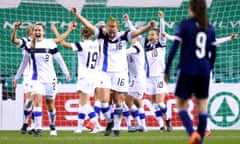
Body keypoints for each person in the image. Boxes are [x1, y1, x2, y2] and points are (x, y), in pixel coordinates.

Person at [71, 7, 156, 136]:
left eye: (113, 31)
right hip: (104, 72)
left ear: (117, 29)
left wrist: (149, 26)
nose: (111, 34)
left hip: (120, 73)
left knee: (118, 101)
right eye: (109, 31)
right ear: (106, 29)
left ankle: (116, 128)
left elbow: (137, 32)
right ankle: (110, 121)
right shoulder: (101, 34)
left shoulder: (123, 36)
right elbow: (87, 25)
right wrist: (77, 14)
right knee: (104, 102)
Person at [162, 31, 238, 136]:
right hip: (197, 72)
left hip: (201, 73)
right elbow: (177, 39)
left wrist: (229, 38)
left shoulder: (203, 40)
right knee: (194, 103)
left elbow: (216, 42)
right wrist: (167, 36)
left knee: (199, 103)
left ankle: (205, 129)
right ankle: (201, 129)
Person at [164, 0, 216, 144]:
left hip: (187, 69)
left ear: (191, 9)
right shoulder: (210, 28)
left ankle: (192, 133)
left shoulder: (185, 25)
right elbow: (213, 52)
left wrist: (167, 69)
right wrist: (208, 69)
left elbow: (174, 48)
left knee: (180, 104)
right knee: (202, 107)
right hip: (204, 70)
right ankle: (200, 140)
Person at [13, 23, 74, 136]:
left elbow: (59, 59)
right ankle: (38, 129)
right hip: (36, 79)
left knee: (50, 105)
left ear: (43, 32)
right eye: (36, 30)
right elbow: (24, 63)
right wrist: (16, 77)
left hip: (50, 79)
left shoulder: (50, 44)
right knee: (37, 102)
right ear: (33, 32)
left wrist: (66, 72)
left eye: (39, 30)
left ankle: (52, 125)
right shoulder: (29, 46)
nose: (37, 32)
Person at [51, 23, 104, 134]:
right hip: (93, 76)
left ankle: (97, 125)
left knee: (85, 104)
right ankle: (79, 127)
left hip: (84, 77)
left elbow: (63, 43)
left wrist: (57, 31)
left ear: (82, 35)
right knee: (82, 103)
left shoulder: (81, 45)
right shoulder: (96, 44)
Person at [122, 13, 147, 132]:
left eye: (133, 36)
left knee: (126, 102)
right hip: (135, 80)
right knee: (136, 103)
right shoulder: (131, 49)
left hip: (138, 80)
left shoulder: (137, 48)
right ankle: (141, 126)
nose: (131, 37)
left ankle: (138, 124)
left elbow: (125, 52)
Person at [11, 22, 35, 135]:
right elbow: (14, 40)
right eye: (35, 30)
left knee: (37, 101)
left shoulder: (42, 43)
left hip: (39, 76)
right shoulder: (25, 41)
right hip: (28, 75)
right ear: (30, 32)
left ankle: (34, 126)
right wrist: (15, 29)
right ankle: (25, 123)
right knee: (29, 101)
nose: (37, 32)